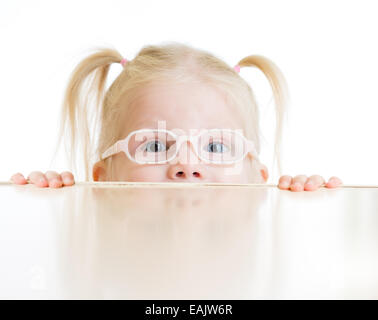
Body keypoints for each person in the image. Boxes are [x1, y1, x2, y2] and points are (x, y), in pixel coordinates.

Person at [10, 42, 342, 192]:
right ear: (101, 181)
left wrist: (308, 208)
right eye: (154, 146)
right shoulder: (90, 248)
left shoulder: (265, 247)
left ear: (258, 178)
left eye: (216, 147)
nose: (188, 165)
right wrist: (47, 203)